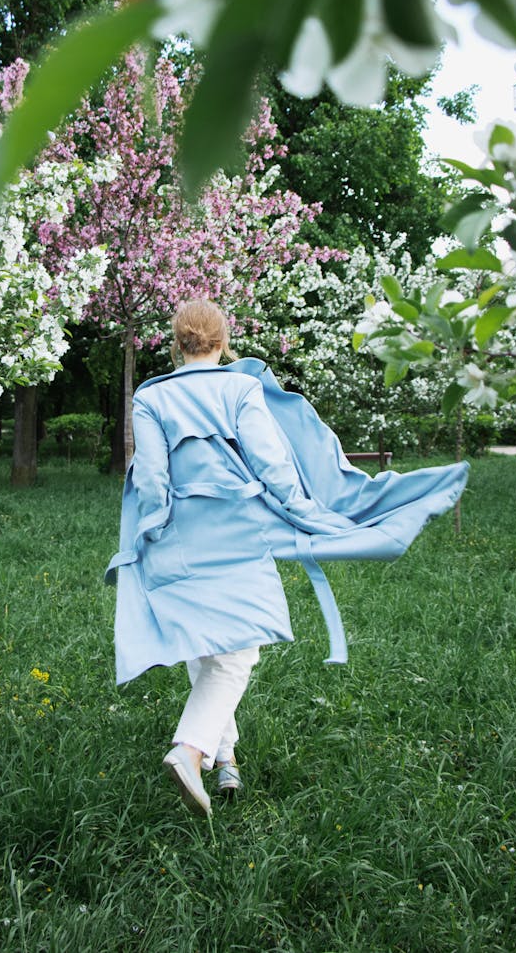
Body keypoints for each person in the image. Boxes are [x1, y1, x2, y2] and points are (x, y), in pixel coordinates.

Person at [105, 299, 468, 817]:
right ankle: (188, 750)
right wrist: (310, 514)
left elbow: (153, 479)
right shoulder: (241, 388)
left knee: (206, 645)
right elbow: (272, 465)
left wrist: (151, 532)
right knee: (238, 653)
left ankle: (223, 758)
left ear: (176, 341)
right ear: (222, 340)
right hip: (238, 535)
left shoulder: (152, 397)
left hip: (179, 536)